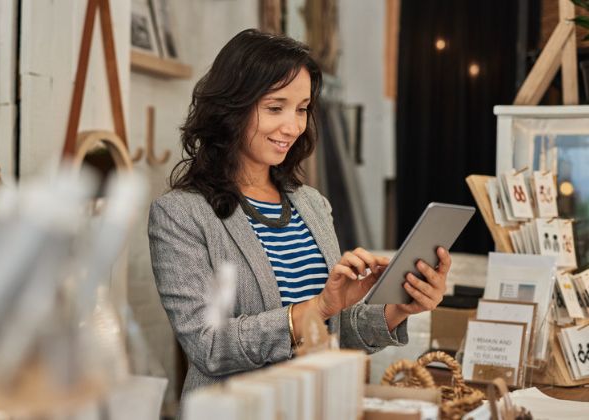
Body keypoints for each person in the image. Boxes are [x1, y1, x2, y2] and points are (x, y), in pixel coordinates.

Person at [148, 29, 450, 407]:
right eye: (275, 108)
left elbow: (331, 334)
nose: (292, 126)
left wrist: (397, 309)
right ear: (231, 108)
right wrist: (318, 308)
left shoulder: (312, 204)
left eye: (302, 108)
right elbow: (208, 345)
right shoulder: (181, 214)